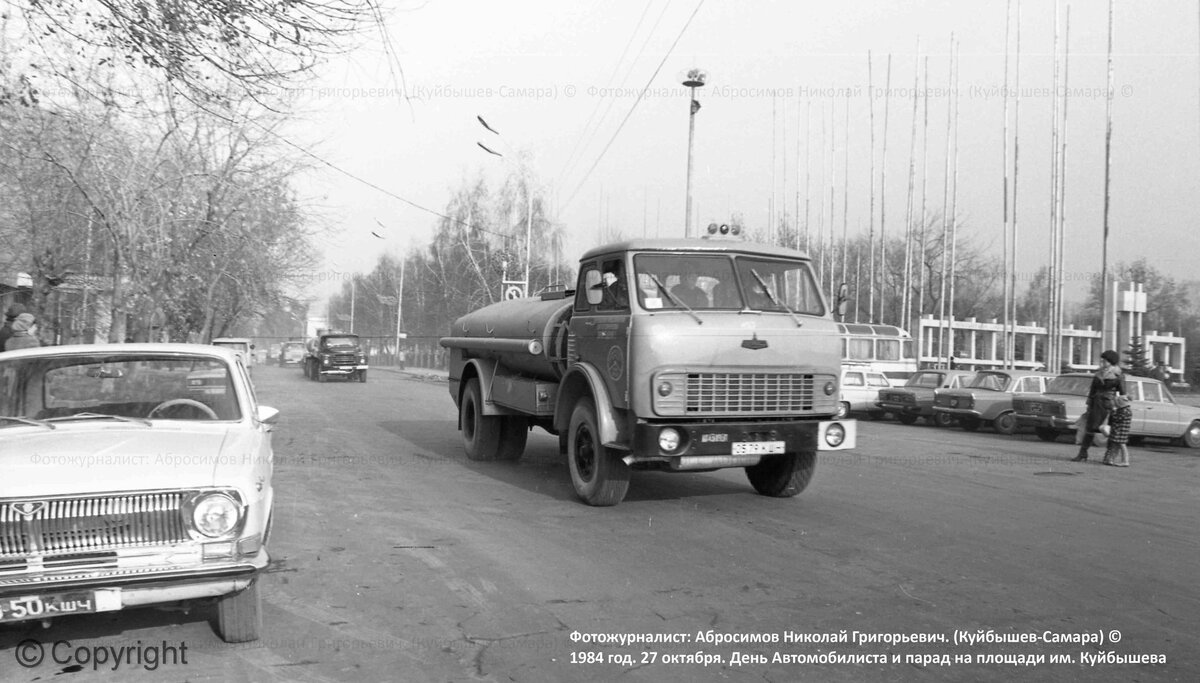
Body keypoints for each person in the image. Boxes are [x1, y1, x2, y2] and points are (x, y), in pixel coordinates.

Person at [1072, 349, 1124, 462]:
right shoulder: (1098, 374)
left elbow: (1123, 394)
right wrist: (1089, 405)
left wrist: (1119, 407)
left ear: (1111, 361)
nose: (1103, 363)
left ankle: (1108, 456)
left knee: (1108, 431)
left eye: (1105, 361)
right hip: (1096, 405)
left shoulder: (1118, 375)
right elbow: (1092, 391)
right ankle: (1082, 453)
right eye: (1102, 361)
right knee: (1090, 429)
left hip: (1109, 406)